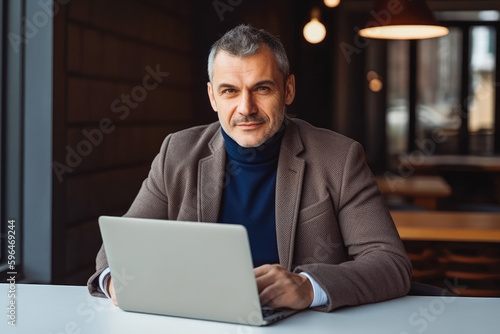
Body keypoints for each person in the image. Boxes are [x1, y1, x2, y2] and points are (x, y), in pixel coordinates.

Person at [87, 24, 412, 312]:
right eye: (230, 91)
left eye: (262, 88)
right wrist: (118, 282)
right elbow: (118, 252)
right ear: (213, 97)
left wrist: (307, 287)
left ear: (288, 90)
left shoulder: (339, 157)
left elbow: (390, 264)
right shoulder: (178, 152)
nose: (246, 108)